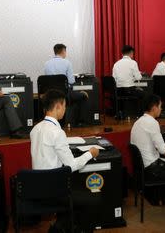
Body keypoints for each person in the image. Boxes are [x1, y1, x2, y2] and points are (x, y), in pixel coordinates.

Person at [30, 89, 99, 232]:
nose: (65, 109)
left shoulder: (35, 129)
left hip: (36, 187)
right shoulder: (57, 132)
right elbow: (71, 166)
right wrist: (90, 154)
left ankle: (59, 228)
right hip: (53, 192)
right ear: (58, 106)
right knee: (93, 200)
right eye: (65, 106)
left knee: (73, 189)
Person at [44, 44, 90, 126]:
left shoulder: (47, 64)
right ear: (63, 51)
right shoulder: (67, 63)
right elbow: (71, 82)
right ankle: (81, 122)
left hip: (51, 95)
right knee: (83, 96)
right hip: (64, 94)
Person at [112, 45, 144, 116]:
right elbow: (138, 77)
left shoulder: (116, 64)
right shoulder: (133, 63)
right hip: (129, 90)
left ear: (122, 53)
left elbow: (114, 78)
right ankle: (139, 114)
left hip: (118, 91)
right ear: (131, 53)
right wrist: (138, 74)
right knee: (142, 93)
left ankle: (120, 112)